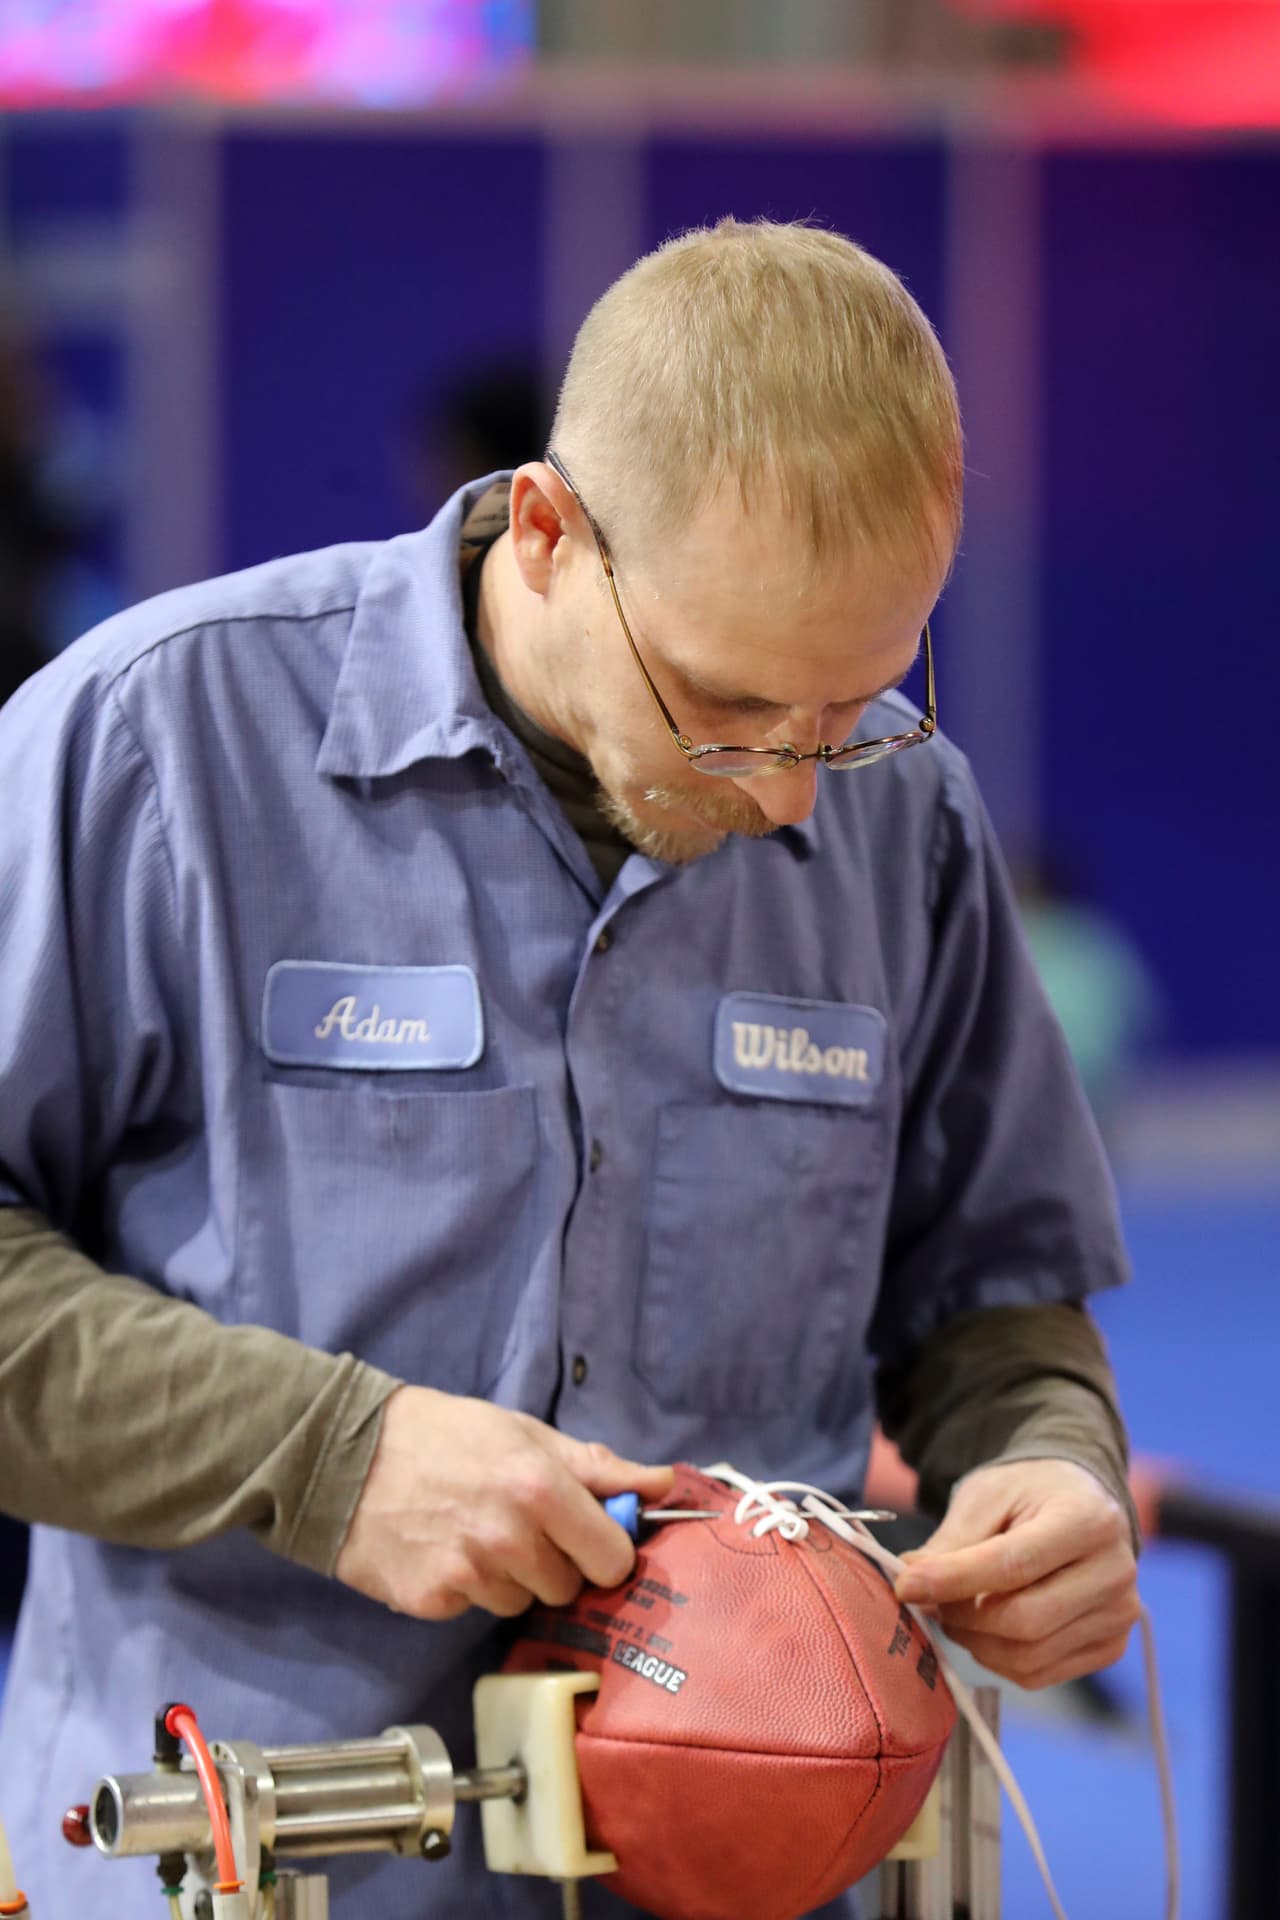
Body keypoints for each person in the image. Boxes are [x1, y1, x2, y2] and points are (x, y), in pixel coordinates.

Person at [0, 219, 1139, 1919]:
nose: (791, 799)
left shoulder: (906, 822)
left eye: (853, 712)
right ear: (544, 532)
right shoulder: (153, 749)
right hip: (241, 1854)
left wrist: (1050, 1462)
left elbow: (993, 1290)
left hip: (756, 1873)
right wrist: (328, 1456)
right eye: (728, 706)